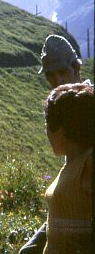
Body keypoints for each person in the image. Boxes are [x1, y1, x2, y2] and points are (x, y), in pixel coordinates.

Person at [20, 34, 92, 253]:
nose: (58, 81)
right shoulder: (65, 112)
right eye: (51, 76)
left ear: (76, 67)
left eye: (63, 72)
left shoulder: (89, 111)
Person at [41, 83, 94, 252]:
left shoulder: (89, 162)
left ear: (61, 129)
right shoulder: (74, 163)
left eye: (48, 124)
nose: (46, 131)